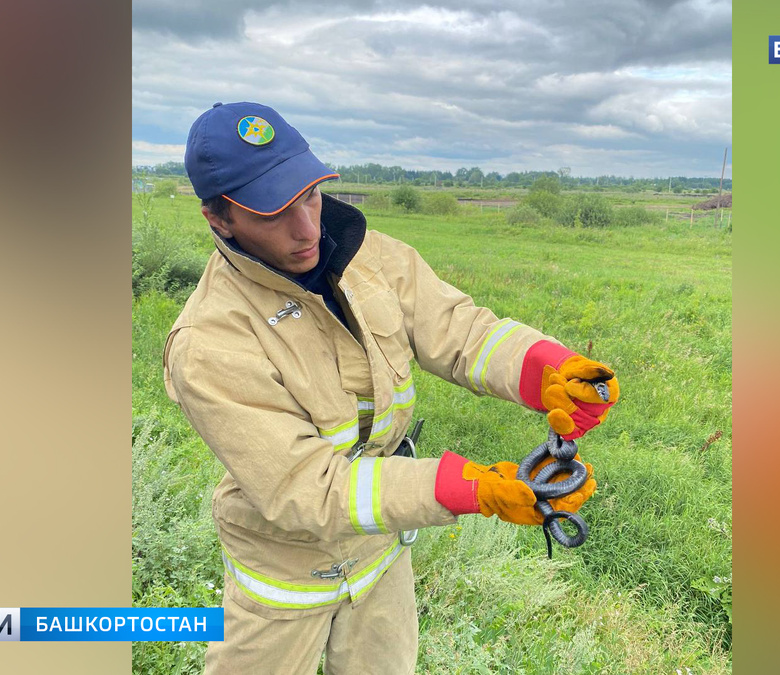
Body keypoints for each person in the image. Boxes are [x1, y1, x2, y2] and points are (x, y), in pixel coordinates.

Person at [163, 101, 621, 674]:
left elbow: (459, 330)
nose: (307, 227)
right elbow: (308, 489)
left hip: (380, 549)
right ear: (219, 219)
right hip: (285, 575)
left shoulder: (370, 257)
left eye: (308, 193)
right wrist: (468, 487)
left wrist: (547, 368)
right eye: (273, 212)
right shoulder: (209, 342)